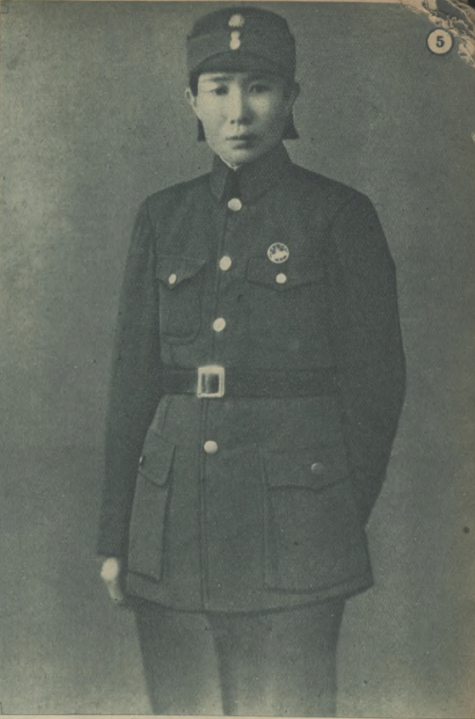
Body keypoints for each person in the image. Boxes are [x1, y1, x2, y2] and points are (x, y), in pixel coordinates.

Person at [97, 6, 406, 716]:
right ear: (192, 100)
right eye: (219, 88)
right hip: (170, 527)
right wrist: (115, 536)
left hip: (296, 528)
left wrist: (329, 511)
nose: (238, 111)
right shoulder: (162, 217)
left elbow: (376, 385)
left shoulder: (338, 214)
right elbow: (130, 385)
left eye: (260, 86)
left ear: (292, 96)